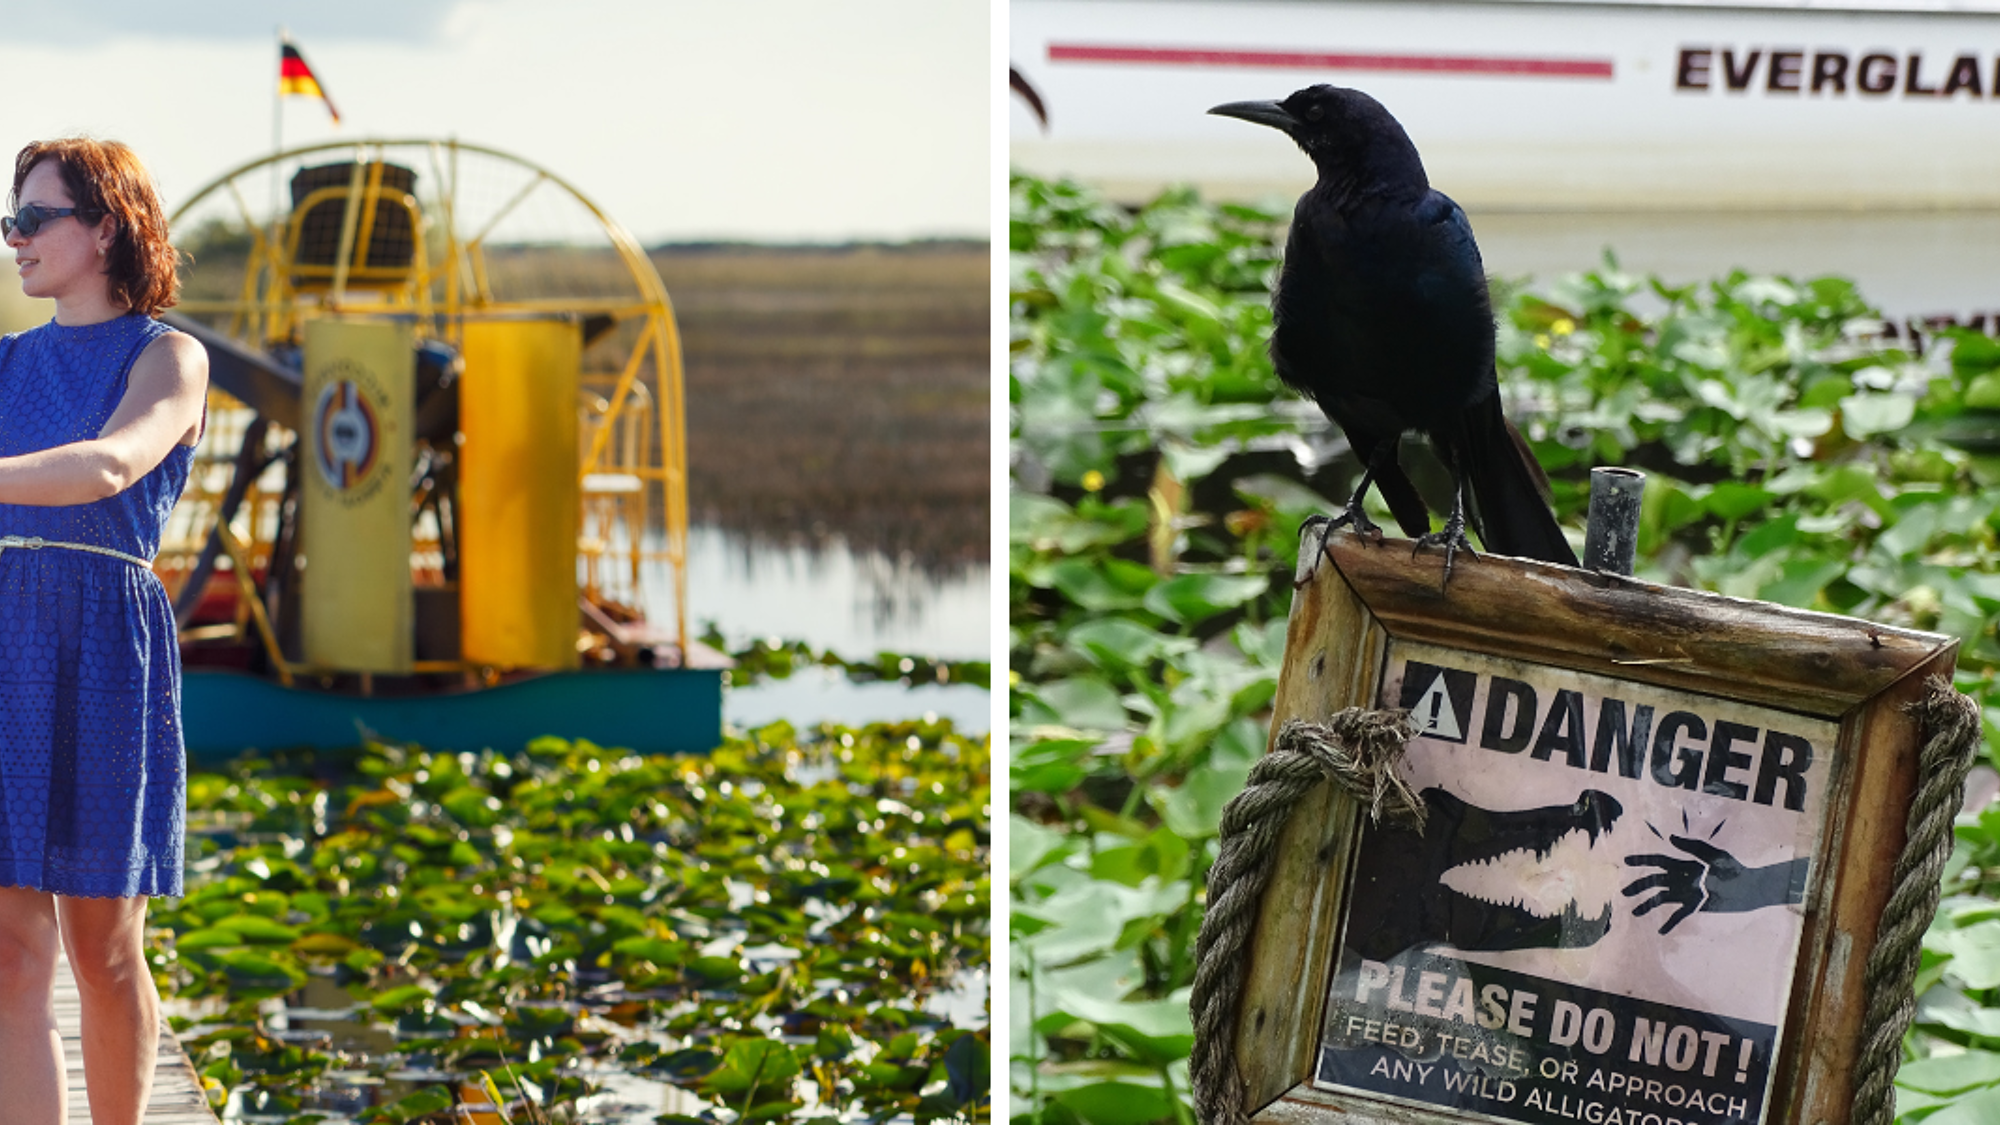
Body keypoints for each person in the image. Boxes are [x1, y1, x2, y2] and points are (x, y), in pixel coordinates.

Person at [0, 139, 208, 1124]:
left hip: (103, 650)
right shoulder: (5, 362)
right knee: (9, 952)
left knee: (102, 944)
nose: (15, 240)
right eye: (10, 222)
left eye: (34, 219)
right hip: (4, 644)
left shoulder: (168, 356)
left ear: (106, 227)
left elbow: (110, 466)